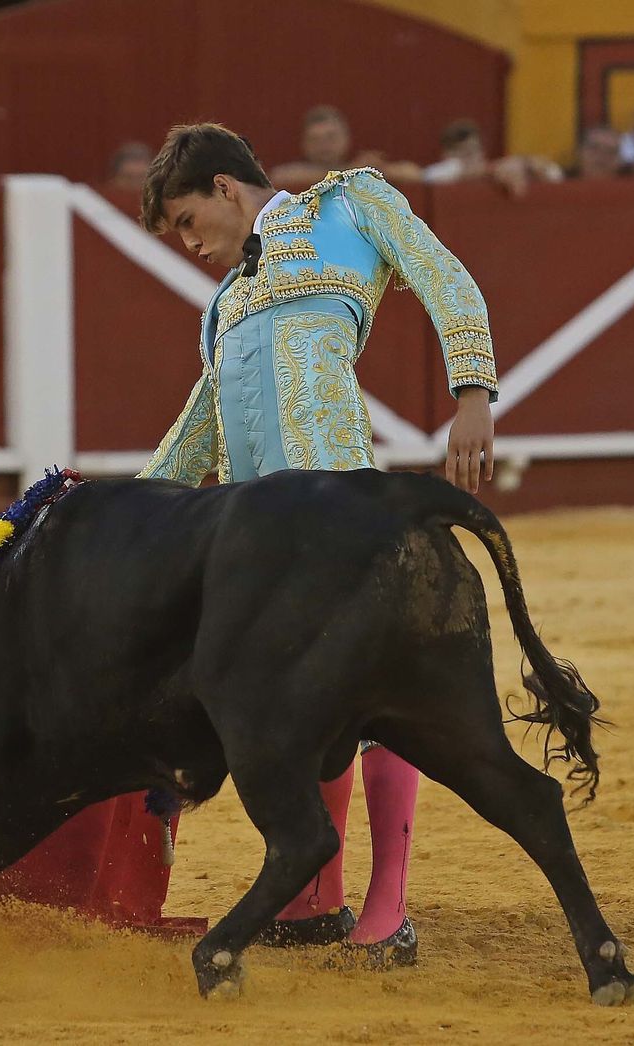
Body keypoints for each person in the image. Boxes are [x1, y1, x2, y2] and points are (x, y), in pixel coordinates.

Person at [137, 123, 499, 966]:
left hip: (342, 510)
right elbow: (202, 423)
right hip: (254, 543)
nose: (193, 247)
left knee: (375, 711)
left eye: (191, 222)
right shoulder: (224, 304)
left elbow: (446, 279)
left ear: (228, 188)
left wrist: (472, 390)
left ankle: (388, 904)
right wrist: (128, 510)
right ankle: (315, 895)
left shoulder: (350, 203)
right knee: (301, 714)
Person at [270, 105, 421, 192]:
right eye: (315, 139)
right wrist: (351, 171)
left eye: (331, 137)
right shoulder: (292, 174)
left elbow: (414, 174)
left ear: (346, 139)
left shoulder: (362, 170)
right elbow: (279, 178)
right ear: (304, 144)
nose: (324, 145)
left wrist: (377, 170)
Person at [422, 118, 563, 196]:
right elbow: (444, 172)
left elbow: (553, 173)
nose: (470, 157)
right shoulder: (442, 171)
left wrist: (527, 164)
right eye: (463, 152)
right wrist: (494, 170)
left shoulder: (498, 170)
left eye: (473, 151)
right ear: (446, 154)